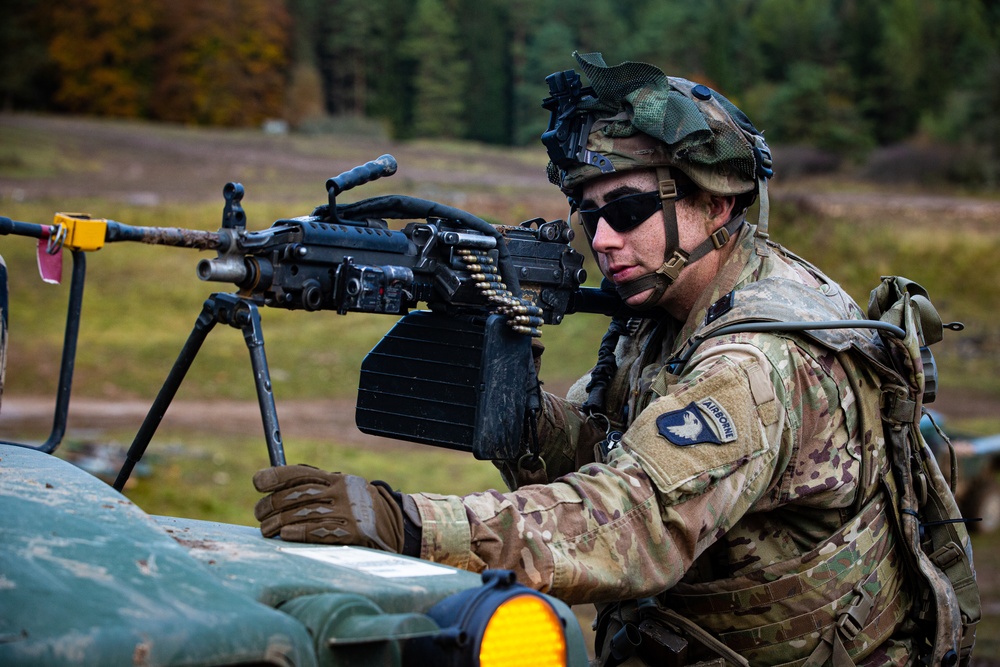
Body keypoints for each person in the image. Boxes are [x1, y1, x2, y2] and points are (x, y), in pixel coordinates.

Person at [253, 52, 976, 666]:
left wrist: (403, 522)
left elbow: (630, 523)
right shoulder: (664, 308)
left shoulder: (757, 359)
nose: (601, 239)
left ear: (716, 204)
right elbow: (611, 447)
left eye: (626, 211)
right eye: (588, 214)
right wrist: (520, 412)